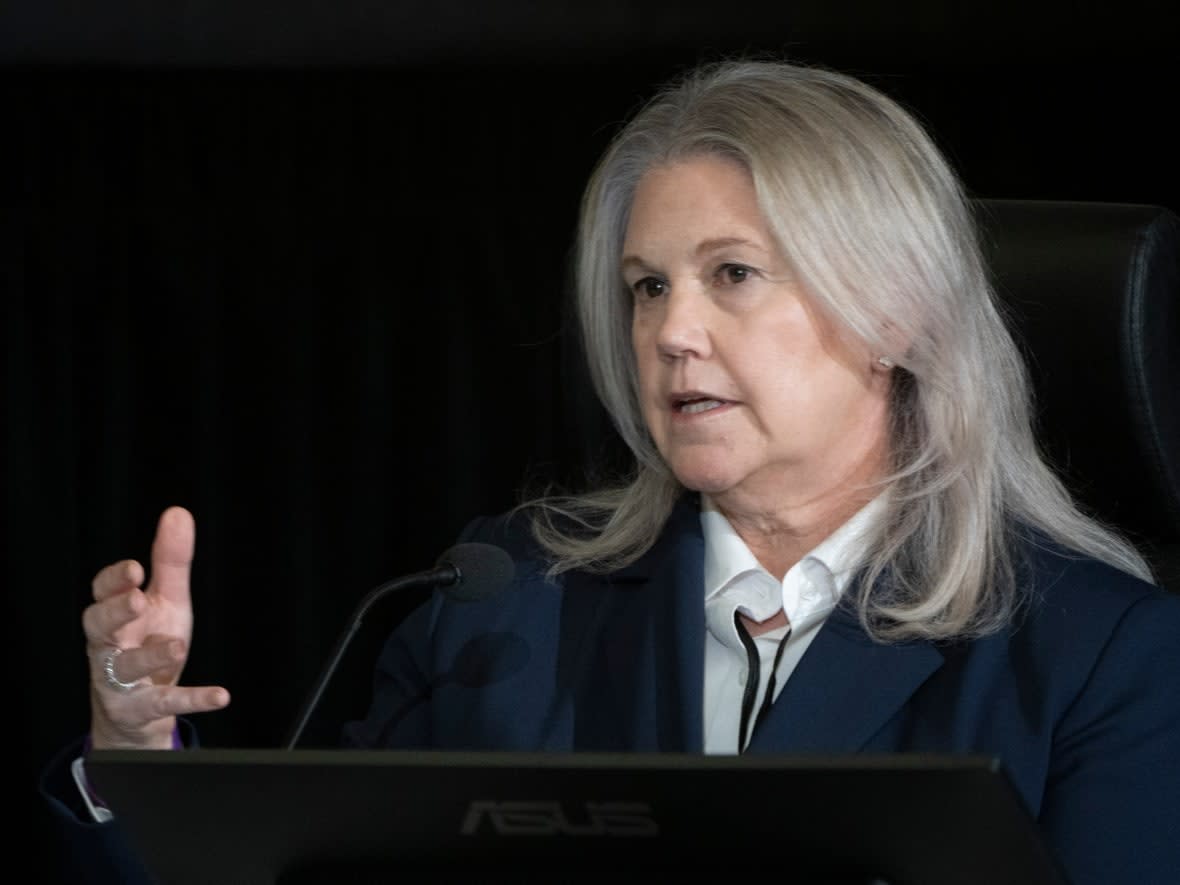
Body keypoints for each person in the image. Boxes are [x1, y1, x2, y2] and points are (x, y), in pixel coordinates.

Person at [41, 56, 1180, 884]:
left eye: (731, 273)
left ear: (893, 310)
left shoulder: (1096, 655)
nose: (672, 331)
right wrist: (135, 755)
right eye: (647, 286)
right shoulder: (503, 600)